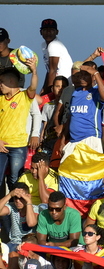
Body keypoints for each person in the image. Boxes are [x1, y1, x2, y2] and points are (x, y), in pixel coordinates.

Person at [0, 55, 37, 189]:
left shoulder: (24, 96)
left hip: (18, 146)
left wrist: (34, 71)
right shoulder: (0, 99)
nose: (0, 85)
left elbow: (33, 86)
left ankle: (15, 205)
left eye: (1, 81)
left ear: (11, 81)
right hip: (1, 145)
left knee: (15, 177)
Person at [0, 183, 39, 252]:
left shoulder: (35, 209)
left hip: (29, 242)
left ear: (28, 196)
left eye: (21, 198)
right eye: (16, 198)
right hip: (13, 243)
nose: (18, 201)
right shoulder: (12, 207)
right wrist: (9, 195)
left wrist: (29, 201)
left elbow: (31, 223)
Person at [39, 19, 73, 92]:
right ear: (40, 32)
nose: (48, 32)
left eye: (51, 30)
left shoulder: (54, 45)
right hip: (57, 83)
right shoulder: (44, 45)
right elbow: (49, 70)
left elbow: (53, 70)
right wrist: (43, 89)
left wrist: (48, 91)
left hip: (64, 84)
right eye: (45, 30)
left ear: (57, 32)